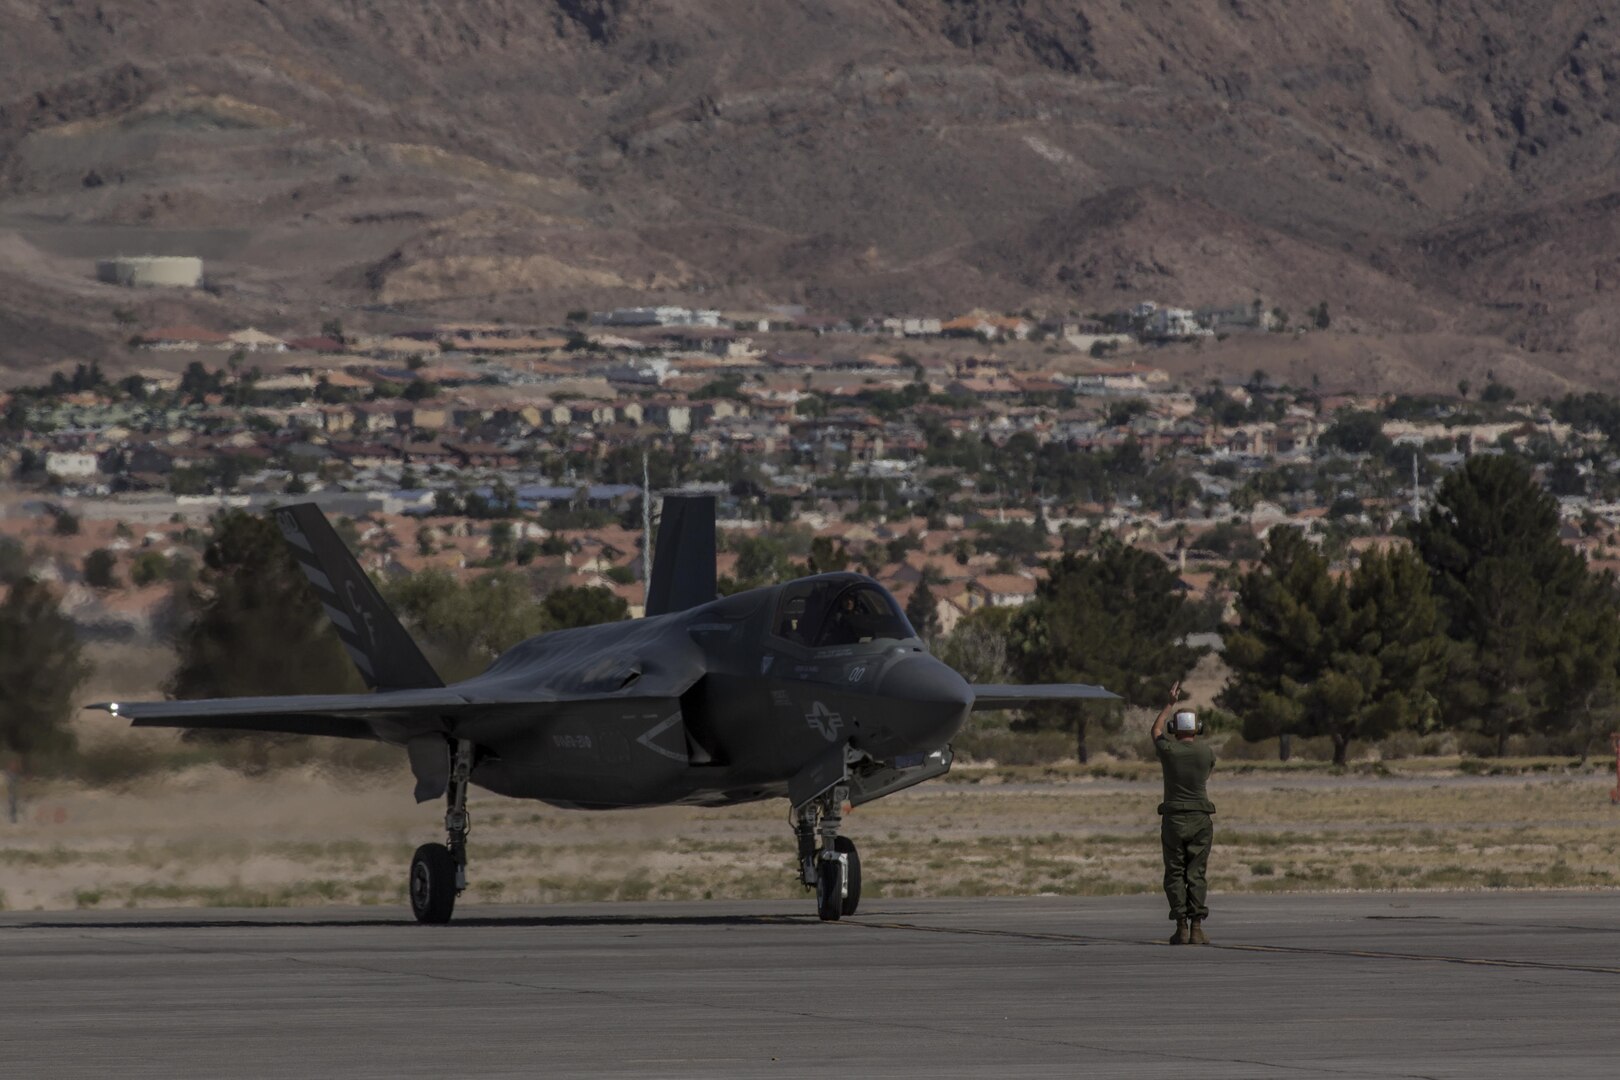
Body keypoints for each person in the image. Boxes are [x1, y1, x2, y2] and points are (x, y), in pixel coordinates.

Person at [1151, 681, 1215, 945]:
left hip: (1174, 819)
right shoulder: (1205, 752)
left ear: (1174, 729)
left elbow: (1155, 731)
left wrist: (1169, 703)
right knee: (1196, 873)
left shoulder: (1169, 751)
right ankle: (1197, 927)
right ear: (1197, 729)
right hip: (1201, 818)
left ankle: (1181, 927)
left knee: (1175, 871)